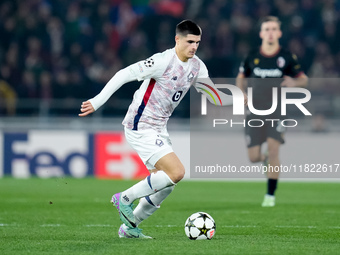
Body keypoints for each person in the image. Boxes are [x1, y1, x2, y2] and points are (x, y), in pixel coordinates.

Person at [79, 20, 234, 238]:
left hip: (159, 128)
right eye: (190, 41)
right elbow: (124, 73)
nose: (194, 47)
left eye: (198, 42)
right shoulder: (162, 61)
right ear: (177, 39)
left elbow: (214, 96)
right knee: (177, 172)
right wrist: (97, 101)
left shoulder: (197, 66)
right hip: (140, 125)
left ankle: (129, 228)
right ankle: (124, 198)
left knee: (166, 185)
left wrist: (239, 99)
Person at [236, 16, 308, 207]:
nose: (270, 32)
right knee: (253, 157)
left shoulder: (286, 57)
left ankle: (270, 196)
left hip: (278, 110)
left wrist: (294, 82)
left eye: (273, 29)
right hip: (254, 111)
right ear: (261, 33)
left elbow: (303, 79)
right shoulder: (252, 56)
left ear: (279, 33)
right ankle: (265, 158)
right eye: (267, 29)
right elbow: (240, 77)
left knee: (274, 149)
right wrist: (241, 92)